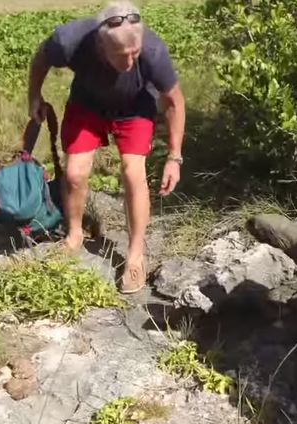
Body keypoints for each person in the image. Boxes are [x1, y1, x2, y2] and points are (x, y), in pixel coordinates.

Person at [27, 0, 185, 294]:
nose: (128, 63)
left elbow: (175, 101)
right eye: (120, 55)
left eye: (133, 54)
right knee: (74, 173)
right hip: (87, 104)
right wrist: (34, 96)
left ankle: (135, 256)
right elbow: (41, 58)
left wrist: (174, 157)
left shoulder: (152, 51)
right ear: (101, 45)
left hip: (136, 107)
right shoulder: (70, 41)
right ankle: (74, 235)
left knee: (132, 170)